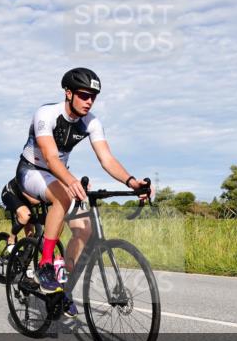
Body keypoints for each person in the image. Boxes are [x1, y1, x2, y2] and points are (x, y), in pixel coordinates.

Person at [16, 67, 149, 317]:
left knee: (85, 230)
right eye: (84, 95)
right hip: (31, 170)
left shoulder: (91, 122)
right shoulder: (46, 114)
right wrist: (70, 180)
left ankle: (62, 287)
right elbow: (50, 157)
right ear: (68, 93)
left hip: (59, 174)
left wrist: (131, 181)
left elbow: (107, 159)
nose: (89, 101)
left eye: (93, 97)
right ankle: (45, 264)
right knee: (63, 196)